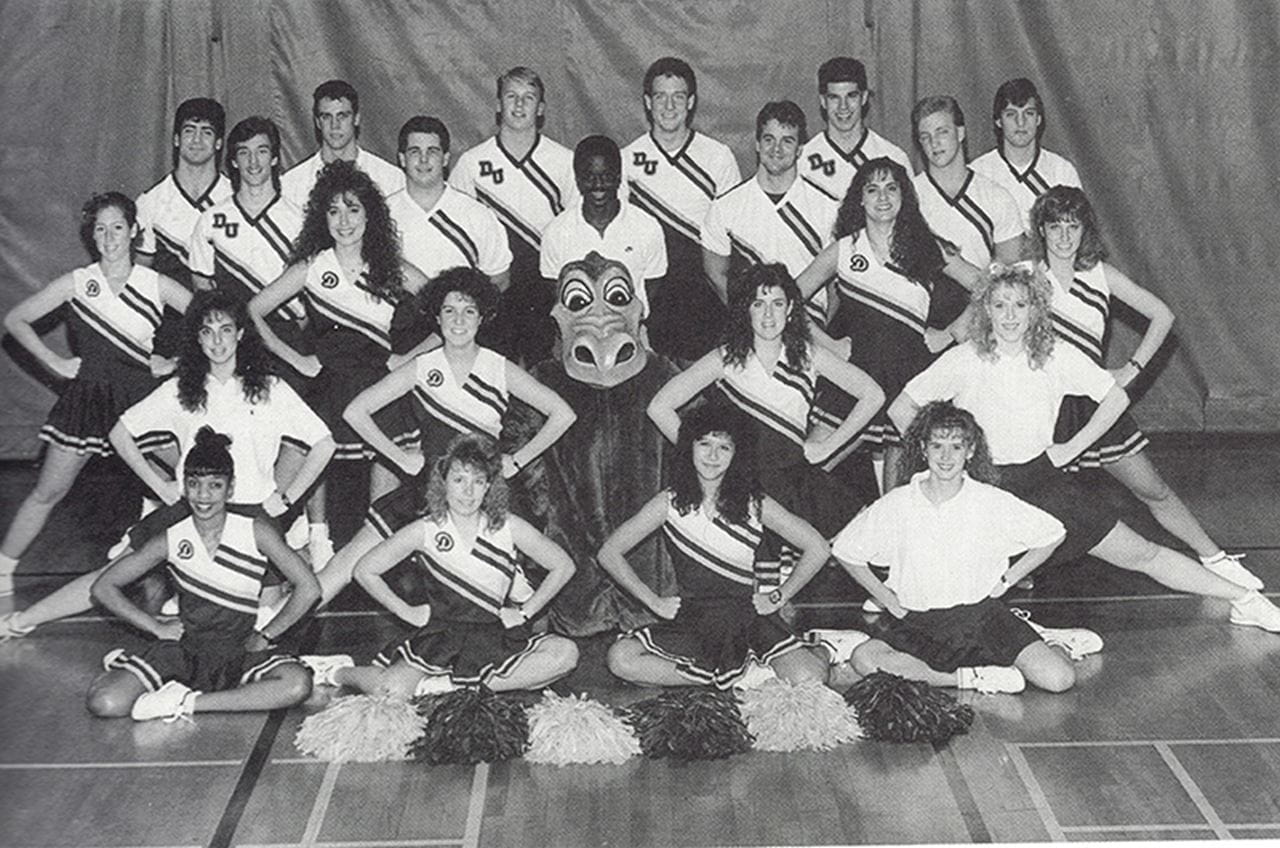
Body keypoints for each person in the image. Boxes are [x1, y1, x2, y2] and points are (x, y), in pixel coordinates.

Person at [888, 265, 1280, 631]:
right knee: (954, 590)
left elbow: (1115, 398)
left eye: (1020, 305)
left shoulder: (1056, 356)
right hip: (982, 488)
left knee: (1141, 552)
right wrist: (943, 464)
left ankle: (1245, 599)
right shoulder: (965, 359)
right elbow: (902, 407)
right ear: (985, 309)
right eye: (1000, 305)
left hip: (1041, 481)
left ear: (1036, 309)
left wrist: (1072, 446)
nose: (1010, 316)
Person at [0, 290, 334, 639]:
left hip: (253, 516)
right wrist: (159, 486)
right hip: (194, 509)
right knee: (114, 572)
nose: (217, 340)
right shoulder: (181, 389)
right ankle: (18, 623)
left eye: (225, 329)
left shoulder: (270, 389)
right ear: (197, 338)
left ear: (241, 333)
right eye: (207, 331)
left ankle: (201, 606)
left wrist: (286, 499)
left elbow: (323, 443)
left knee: (266, 613)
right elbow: (120, 432)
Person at [307, 268, 576, 607]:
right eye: (449, 310)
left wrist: (516, 461)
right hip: (428, 489)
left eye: (469, 311)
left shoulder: (498, 367)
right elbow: (355, 412)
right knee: (343, 566)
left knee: (513, 588)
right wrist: (401, 458)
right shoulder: (422, 366)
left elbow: (563, 414)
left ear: (483, 318)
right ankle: (274, 641)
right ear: (437, 317)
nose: (459, 320)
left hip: (481, 491)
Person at [1030, 186, 1257, 587]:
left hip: (1098, 404)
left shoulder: (1100, 274)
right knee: (1028, 496)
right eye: (1055, 227)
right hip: (1040, 407)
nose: (1064, 237)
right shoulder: (1028, 279)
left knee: (1152, 489)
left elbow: (1162, 315)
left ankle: (1216, 559)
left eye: (1073, 226)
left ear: (1085, 231)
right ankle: (1003, 573)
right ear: (1042, 231)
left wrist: (1131, 368)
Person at [0, 192, 190, 597]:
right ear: (92, 235)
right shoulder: (79, 282)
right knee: (48, 492)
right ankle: (2, 571)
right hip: (87, 399)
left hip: (141, 400)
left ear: (134, 231)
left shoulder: (154, 283)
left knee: (192, 475)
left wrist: (173, 361)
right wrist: (56, 362)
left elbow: (213, 318)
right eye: (100, 229)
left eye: (117, 227)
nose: (109, 237)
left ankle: (186, 572)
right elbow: (16, 320)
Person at [647, 263, 884, 587]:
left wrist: (828, 445)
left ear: (790, 310)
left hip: (794, 479)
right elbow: (659, 407)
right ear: (745, 311)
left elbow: (872, 395)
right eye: (758, 304)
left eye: (777, 303)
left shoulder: (809, 356)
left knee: (861, 543)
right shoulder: (726, 357)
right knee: (757, 587)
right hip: (742, 486)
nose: (768, 315)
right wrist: (705, 460)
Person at [249, 160, 430, 567]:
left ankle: (380, 550)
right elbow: (253, 311)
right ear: (321, 218)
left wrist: (407, 358)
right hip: (325, 379)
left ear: (371, 215)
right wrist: (297, 358)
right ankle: (317, 538)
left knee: (386, 460)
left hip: (378, 382)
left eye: (353, 210)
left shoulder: (392, 268)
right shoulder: (313, 267)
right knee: (309, 455)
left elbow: (451, 306)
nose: (344, 221)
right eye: (333, 211)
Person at [303, 433, 579, 696]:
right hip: (440, 635)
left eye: (478, 481)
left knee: (565, 654)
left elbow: (563, 566)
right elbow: (364, 569)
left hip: (494, 633)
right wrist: (406, 612)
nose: (468, 492)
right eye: (459, 480)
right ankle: (338, 670)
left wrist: (525, 613)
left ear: (489, 486)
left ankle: (440, 687)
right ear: (443, 482)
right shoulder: (424, 529)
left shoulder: (508, 526)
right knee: (390, 690)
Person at [835, 401, 1080, 695]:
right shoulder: (898, 502)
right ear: (923, 449)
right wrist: (887, 598)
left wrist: (1007, 580)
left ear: (971, 450)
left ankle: (1053, 642)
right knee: (865, 658)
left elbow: (1053, 533)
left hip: (983, 618)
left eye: (956, 446)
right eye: (937, 446)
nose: (946, 456)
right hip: (918, 621)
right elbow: (846, 551)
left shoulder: (990, 500)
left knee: (1059, 679)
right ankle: (971, 678)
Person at [86, 427, 319, 721]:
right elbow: (103, 587)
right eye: (195, 485)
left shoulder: (255, 529)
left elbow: (309, 587)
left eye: (215, 485)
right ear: (184, 486)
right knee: (105, 703)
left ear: (230, 488)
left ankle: (184, 703)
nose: (203, 496)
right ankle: (133, 667)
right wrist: (155, 628)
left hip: (241, 648)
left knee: (297, 684)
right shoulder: (170, 537)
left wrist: (269, 634)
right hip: (185, 648)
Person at [601, 404, 831, 689]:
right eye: (704, 444)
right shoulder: (667, 503)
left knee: (810, 678)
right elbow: (609, 553)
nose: (712, 456)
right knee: (621, 659)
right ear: (689, 448)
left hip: (748, 617)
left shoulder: (754, 503)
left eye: (724, 448)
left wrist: (778, 596)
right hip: (693, 619)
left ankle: (821, 650)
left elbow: (818, 547)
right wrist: (653, 601)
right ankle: (741, 677)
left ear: (737, 455)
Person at [796, 157, 970, 490]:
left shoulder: (926, 247)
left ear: (904, 196)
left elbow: (988, 286)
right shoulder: (843, 250)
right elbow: (785, 299)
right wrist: (827, 344)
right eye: (872, 189)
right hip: (854, 379)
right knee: (812, 469)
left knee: (899, 496)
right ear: (859, 198)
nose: (883, 198)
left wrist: (949, 333)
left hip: (908, 379)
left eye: (892, 188)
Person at [450, 66, 577, 364]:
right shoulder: (472, 164)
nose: (519, 105)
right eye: (511, 96)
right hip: (492, 286)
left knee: (543, 370)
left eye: (528, 98)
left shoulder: (563, 162)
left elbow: (575, 230)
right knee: (492, 368)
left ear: (541, 108)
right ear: (498, 104)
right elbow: (456, 233)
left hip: (545, 286)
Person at [623, 57, 742, 361]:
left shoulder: (718, 157)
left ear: (691, 102)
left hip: (705, 296)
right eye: (660, 96)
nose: (669, 106)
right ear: (647, 102)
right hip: (651, 295)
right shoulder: (626, 160)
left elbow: (735, 237)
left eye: (678, 96)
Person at [188, 116, 308, 382]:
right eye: (244, 153)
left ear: (275, 158)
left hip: (287, 338)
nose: (253, 162)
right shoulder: (211, 220)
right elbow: (202, 287)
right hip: (233, 341)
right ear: (233, 161)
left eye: (262, 152)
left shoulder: (299, 219)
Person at [702, 101, 837, 328]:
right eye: (769, 139)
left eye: (787, 141)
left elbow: (837, 287)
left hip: (810, 329)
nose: (777, 149)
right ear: (757, 144)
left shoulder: (828, 208)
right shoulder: (725, 207)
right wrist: (748, 319)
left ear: (800, 149)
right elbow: (716, 274)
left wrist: (823, 332)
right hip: (750, 329)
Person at [910, 96, 1022, 333]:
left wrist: (962, 323)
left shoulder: (996, 197)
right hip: (919, 321)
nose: (934, 143)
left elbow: (1009, 277)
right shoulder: (908, 197)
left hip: (977, 319)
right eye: (925, 137)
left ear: (960, 133)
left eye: (942, 132)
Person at [540, 135, 667, 343]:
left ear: (618, 177)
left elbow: (652, 287)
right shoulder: (556, 231)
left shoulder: (647, 226)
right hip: (576, 334)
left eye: (607, 176)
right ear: (578, 179)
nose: (598, 185)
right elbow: (555, 291)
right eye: (589, 177)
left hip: (632, 333)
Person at [386, 116, 512, 302]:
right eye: (414, 152)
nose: (423, 160)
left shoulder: (477, 215)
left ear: (445, 159)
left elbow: (499, 280)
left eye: (432, 151)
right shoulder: (382, 214)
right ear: (402, 159)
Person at [135, 98, 233, 288]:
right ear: (176, 139)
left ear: (219, 143)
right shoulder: (150, 202)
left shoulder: (236, 198)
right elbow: (141, 276)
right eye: (189, 130)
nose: (197, 140)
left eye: (207, 132)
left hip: (227, 313)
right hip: (172, 314)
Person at [970, 78, 1082, 231]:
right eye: (1011, 114)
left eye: (1028, 113)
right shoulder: (978, 172)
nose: (1020, 122)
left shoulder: (1061, 171)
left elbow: (1077, 234)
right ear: (998, 121)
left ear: (1038, 119)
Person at [280, 80, 405, 211]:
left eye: (342, 116)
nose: (335, 125)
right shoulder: (292, 183)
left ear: (356, 118)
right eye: (326, 117)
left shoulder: (391, 179)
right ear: (317, 122)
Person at [799, 57, 911, 202]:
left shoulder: (893, 157)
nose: (843, 106)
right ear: (823, 101)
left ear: (864, 97)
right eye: (834, 97)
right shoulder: (802, 160)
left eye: (851, 96)